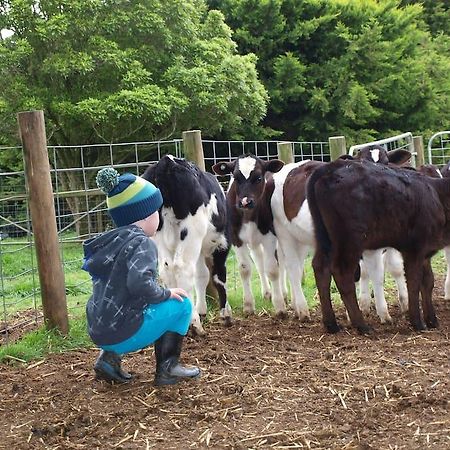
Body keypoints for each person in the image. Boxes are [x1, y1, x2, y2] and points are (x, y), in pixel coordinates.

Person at [82, 167, 200, 386]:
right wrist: (166, 294)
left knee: (122, 303)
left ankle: (108, 360)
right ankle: (168, 368)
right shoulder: (142, 243)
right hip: (123, 332)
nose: (159, 216)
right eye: (156, 211)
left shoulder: (110, 243)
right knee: (182, 304)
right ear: (145, 215)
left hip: (99, 330)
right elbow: (140, 283)